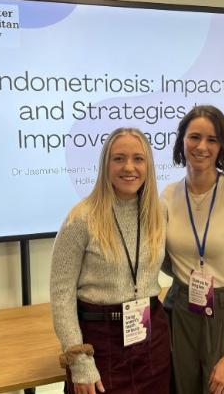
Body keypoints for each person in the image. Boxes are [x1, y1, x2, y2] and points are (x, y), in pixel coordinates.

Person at [50, 127, 170, 394]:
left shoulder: (158, 212)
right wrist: (79, 362)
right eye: (119, 158)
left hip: (151, 338)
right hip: (99, 341)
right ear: (106, 164)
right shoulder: (81, 218)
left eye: (138, 159)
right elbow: (61, 295)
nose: (129, 167)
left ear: (148, 165)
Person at [161, 105, 224, 394]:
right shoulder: (168, 196)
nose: (202, 147)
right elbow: (162, 257)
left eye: (212, 139)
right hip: (182, 310)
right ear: (182, 140)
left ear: (222, 146)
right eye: (194, 137)